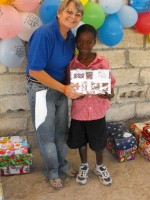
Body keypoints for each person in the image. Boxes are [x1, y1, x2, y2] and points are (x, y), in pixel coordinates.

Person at [26, 0, 84, 190]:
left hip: (61, 89)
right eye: (69, 12)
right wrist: (64, 89)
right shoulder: (45, 34)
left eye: (77, 14)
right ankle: (52, 172)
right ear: (59, 13)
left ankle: (63, 165)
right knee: (46, 136)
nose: (73, 17)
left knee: (61, 133)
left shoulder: (70, 38)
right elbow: (35, 71)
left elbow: (68, 65)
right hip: (41, 90)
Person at [67, 24, 116, 186]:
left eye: (89, 42)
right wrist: (73, 92)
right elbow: (69, 86)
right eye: (80, 41)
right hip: (79, 112)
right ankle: (84, 165)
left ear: (94, 42)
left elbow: (110, 86)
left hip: (97, 112)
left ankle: (100, 166)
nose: (84, 45)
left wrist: (109, 93)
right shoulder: (72, 65)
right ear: (75, 42)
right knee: (81, 141)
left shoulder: (102, 62)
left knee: (98, 142)